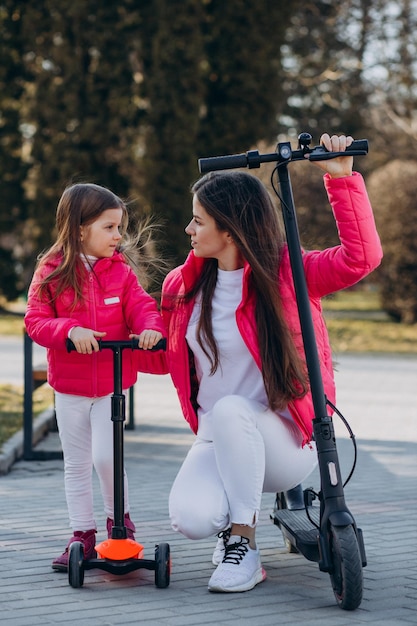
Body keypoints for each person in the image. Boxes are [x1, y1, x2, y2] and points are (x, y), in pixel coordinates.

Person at [160, 133, 383, 593]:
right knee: (189, 518)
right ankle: (227, 525)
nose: (188, 229)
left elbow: (360, 258)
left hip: (284, 441)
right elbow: (163, 355)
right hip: (216, 440)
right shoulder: (182, 286)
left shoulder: (289, 272)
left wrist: (341, 179)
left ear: (229, 228)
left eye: (197, 221)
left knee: (232, 409)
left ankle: (243, 543)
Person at [25, 182, 165, 572]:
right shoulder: (52, 270)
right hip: (69, 387)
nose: (119, 236)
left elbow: (141, 307)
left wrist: (151, 329)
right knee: (76, 462)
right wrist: (69, 331)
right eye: (110, 227)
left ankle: (119, 525)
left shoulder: (119, 270)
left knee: (107, 458)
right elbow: (35, 321)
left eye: (119, 227)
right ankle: (81, 535)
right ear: (79, 228)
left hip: (110, 384)